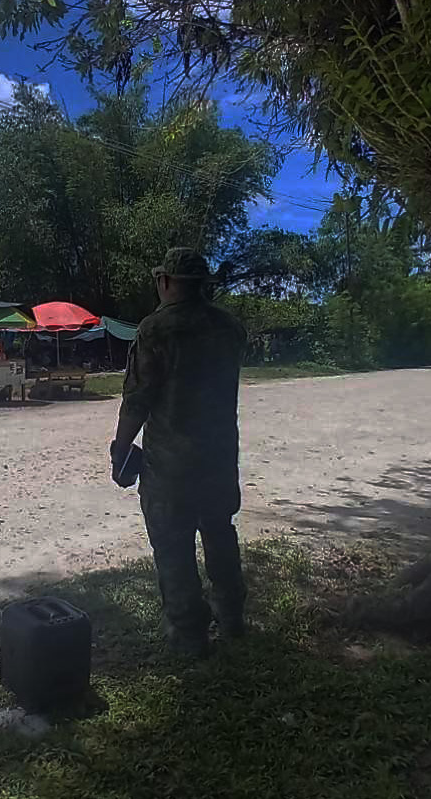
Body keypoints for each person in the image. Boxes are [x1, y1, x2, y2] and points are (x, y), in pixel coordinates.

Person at [111, 247, 248, 657]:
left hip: (171, 465)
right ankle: (232, 617)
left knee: (173, 545)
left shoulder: (156, 330)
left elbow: (137, 400)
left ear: (166, 281)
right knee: (220, 532)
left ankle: (189, 635)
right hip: (219, 457)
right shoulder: (230, 328)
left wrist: (121, 450)